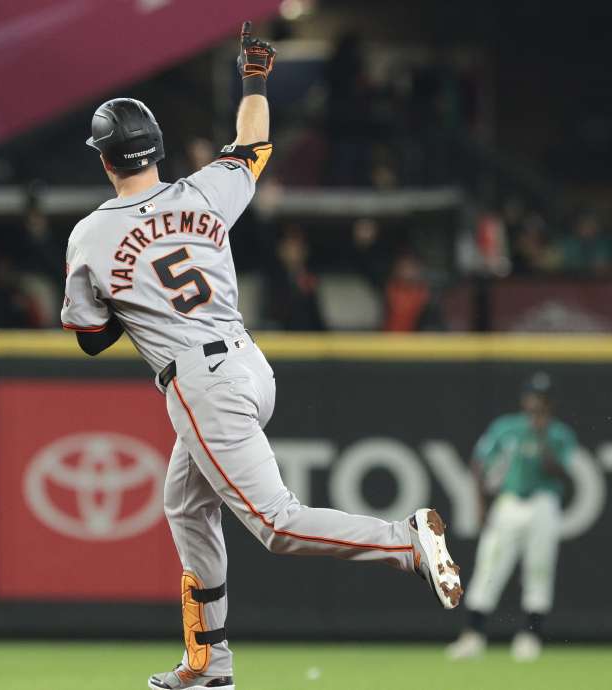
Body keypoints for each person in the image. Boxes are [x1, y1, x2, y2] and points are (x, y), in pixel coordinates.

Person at [59, 23, 462, 690]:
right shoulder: (205, 192)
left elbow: (89, 334)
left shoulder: (92, 234)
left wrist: (130, 302)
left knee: (275, 523)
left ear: (104, 159)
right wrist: (255, 77)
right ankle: (209, 664)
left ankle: (405, 541)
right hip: (249, 363)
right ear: (156, 151)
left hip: (199, 380)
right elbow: (254, 141)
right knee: (186, 506)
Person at [446, 372, 577, 662]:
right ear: (524, 398)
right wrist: (480, 506)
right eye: (533, 396)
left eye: (542, 398)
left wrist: (541, 435)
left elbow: (560, 472)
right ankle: (473, 635)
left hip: (543, 502)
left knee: (538, 569)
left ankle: (531, 636)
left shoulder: (559, 433)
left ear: (550, 403)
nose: (536, 403)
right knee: (490, 566)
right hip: (508, 502)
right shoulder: (506, 428)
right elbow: (479, 462)